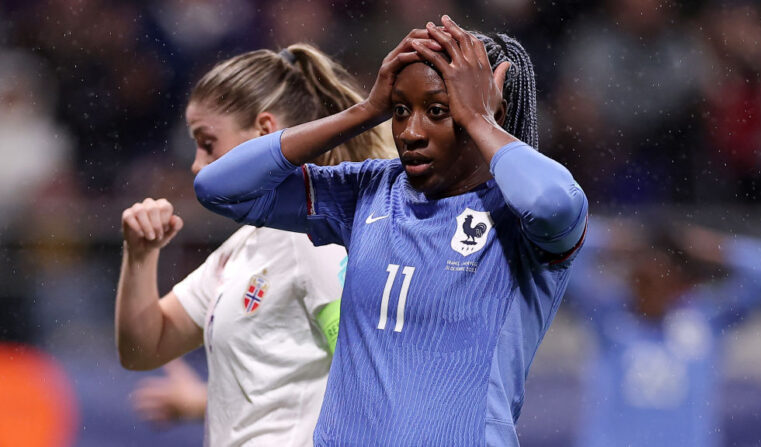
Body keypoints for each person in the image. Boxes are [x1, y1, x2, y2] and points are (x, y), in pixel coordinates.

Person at [193, 16, 588, 446]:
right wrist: (365, 112)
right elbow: (219, 189)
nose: (411, 133)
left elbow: (555, 202)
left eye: (438, 111)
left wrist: (478, 119)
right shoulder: (369, 190)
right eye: (401, 111)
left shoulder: (520, 217)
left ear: (494, 112)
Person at [115, 44, 394, 446]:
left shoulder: (316, 238)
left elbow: (369, 382)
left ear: (265, 132)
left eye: (207, 142)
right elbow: (144, 347)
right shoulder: (241, 247)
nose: (196, 164)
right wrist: (141, 255)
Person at [565, 216, 761, 447]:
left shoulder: (705, 318)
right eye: (642, 278)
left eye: (660, 277)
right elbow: (561, 262)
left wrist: (712, 247)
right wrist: (614, 238)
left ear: (678, 282)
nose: (650, 289)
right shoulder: (608, 316)